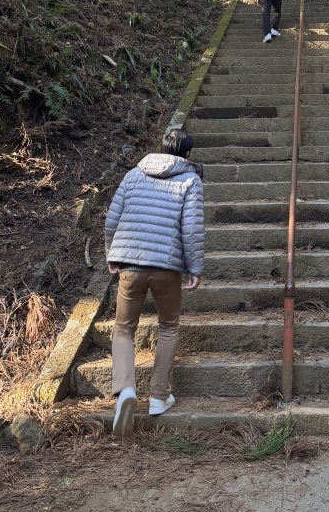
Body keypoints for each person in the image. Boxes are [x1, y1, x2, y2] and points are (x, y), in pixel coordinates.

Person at [104, 128, 204, 439]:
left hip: (130, 264)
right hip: (167, 267)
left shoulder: (134, 175)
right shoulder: (190, 180)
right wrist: (195, 267)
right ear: (187, 154)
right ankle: (159, 396)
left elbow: (113, 217)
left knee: (123, 329)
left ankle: (125, 389)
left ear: (161, 148)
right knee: (169, 326)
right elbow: (191, 228)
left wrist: (112, 251)